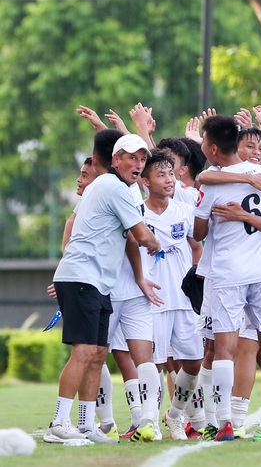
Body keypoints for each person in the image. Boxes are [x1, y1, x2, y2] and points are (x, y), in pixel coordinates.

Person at [44, 133, 161, 444]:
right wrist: (157, 243)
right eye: (131, 158)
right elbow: (143, 236)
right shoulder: (114, 187)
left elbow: (132, 240)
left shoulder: (111, 186)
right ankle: (59, 422)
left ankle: (84, 425)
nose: (138, 164)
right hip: (82, 277)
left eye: (141, 159)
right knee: (84, 352)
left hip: (96, 281)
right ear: (115, 160)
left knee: (97, 354)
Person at [194, 115, 261, 442]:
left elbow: (198, 232)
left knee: (224, 350)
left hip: (228, 274)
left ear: (213, 148)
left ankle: (226, 422)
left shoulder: (211, 183)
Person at [141, 149, 204, 440]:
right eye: (161, 174)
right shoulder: (136, 214)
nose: (168, 179)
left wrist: (198, 279)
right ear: (145, 181)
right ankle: (149, 421)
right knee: (153, 363)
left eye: (170, 173)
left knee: (193, 362)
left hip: (183, 300)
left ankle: (175, 414)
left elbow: (198, 243)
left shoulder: (184, 211)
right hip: (152, 301)